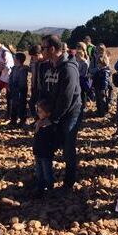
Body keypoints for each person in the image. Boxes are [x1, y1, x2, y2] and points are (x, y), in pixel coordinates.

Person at [40, 35, 82, 193]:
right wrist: (42, 109)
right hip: (53, 112)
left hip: (71, 113)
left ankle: (69, 181)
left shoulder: (69, 68)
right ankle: (46, 178)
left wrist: (52, 118)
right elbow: (44, 89)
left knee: (68, 146)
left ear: (52, 49)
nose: (42, 50)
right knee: (48, 143)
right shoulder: (48, 66)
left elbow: (66, 98)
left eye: (43, 47)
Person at [33, 99, 57, 198]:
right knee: (39, 172)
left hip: (46, 153)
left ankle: (50, 188)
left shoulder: (50, 126)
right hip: (38, 152)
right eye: (37, 111)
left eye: (40, 111)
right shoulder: (39, 123)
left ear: (48, 113)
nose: (38, 113)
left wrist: (51, 149)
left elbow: (53, 140)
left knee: (47, 172)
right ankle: (40, 187)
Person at [9, 52, 29, 126]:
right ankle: (13, 119)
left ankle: (22, 119)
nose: (13, 60)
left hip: (21, 89)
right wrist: (10, 85)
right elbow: (11, 77)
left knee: (22, 104)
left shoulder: (23, 69)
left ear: (18, 60)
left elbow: (22, 81)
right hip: (14, 89)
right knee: (14, 104)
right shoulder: (14, 68)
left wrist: (19, 88)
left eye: (15, 58)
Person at [28, 45, 43, 119]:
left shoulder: (44, 63)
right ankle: (36, 119)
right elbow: (31, 71)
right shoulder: (34, 63)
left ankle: (39, 121)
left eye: (33, 57)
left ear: (38, 54)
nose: (32, 59)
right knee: (31, 103)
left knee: (40, 106)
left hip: (41, 88)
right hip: (34, 86)